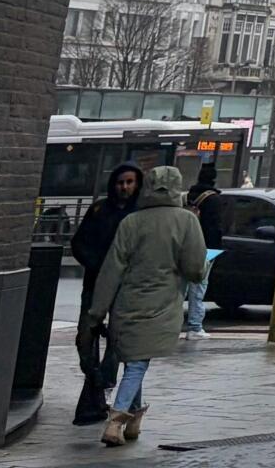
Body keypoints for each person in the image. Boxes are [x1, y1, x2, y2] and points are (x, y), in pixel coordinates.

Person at [84, 164, 208, 446]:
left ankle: (134, 421)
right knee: (138, 364)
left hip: (126, 302)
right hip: (162, 303)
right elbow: (195, 269)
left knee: (133, 357)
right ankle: (116, 422)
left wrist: (97, 312)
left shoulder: (132, 222)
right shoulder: (187, 221)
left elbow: (112, 269)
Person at [67, 163, 141, 424]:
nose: (125, 187)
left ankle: (105, 381)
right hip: (95, 282)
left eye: (130, 182)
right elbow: (78, 242)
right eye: (121, 182)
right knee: (85, 336)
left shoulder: (139, 213)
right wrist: (95, 263)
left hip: (123, 286)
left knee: (117, 339)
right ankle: (95, 377)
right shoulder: (99, 209)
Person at [180, 164, 221, 340]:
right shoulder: (213, 200)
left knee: (180, 287)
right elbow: (215, 228)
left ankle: (172, 323)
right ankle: (195, 326)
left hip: (184, 246)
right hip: (205, 248)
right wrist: (215, 251)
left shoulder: (187, 197)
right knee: (199, 287)